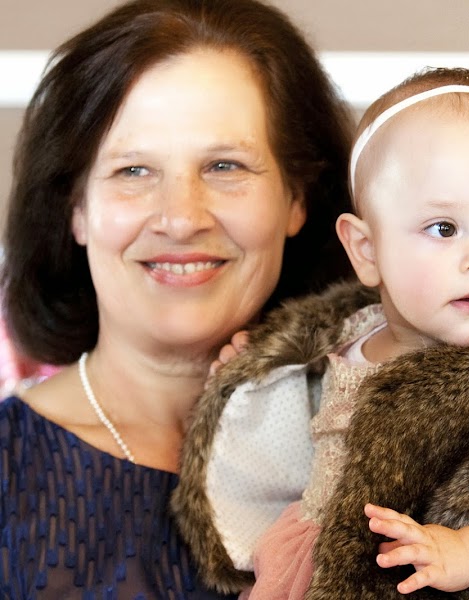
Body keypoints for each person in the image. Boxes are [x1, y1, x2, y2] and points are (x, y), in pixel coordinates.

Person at [174, 67, 469, 599]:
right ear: (366, 250)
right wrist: (252, 376)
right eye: (444, 228)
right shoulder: (344, 338)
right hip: (312, 569)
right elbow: (290, 447)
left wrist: (467, 553)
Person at [0, 0, 355, 596]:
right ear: (77, 208)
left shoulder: (383, 442)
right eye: (133, 171)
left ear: (297, 197)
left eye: (224, 165)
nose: (181, 217)